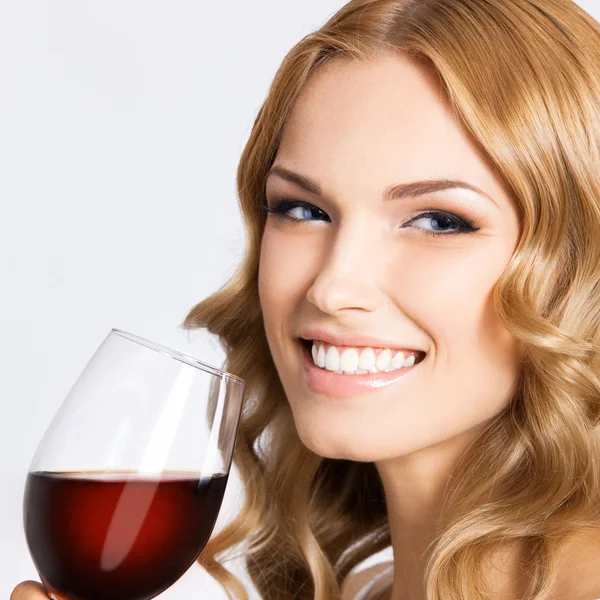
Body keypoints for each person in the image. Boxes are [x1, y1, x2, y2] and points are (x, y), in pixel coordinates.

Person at [12, 0, 600, 598]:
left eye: (440, 221)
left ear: (582, 265)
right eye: (303, 209)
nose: (332, 286)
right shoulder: (366, 588)